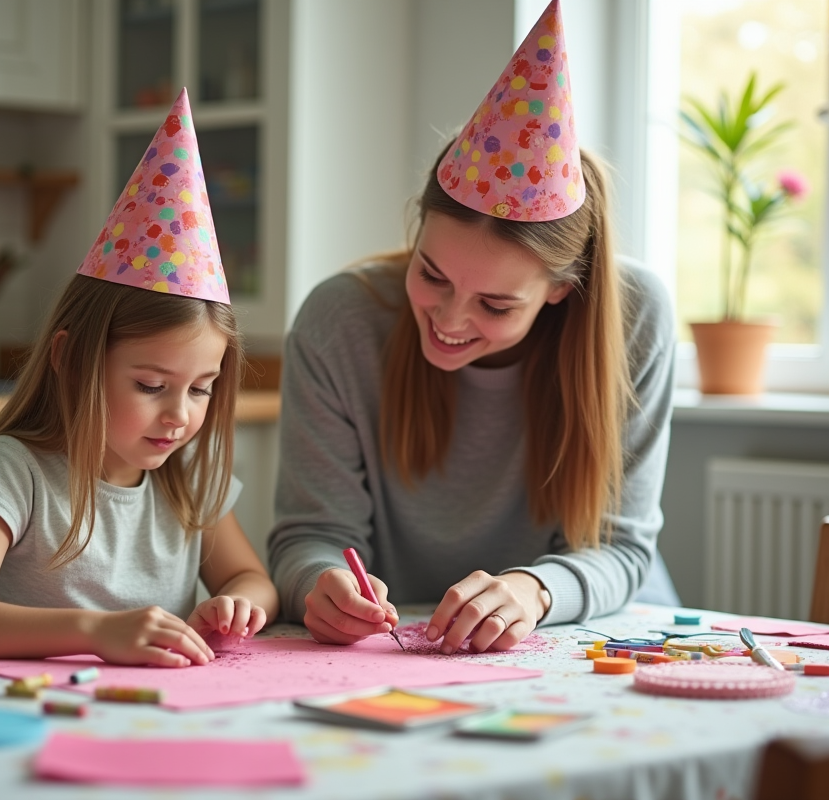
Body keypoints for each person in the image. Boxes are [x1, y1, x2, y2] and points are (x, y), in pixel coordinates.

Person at [267, 0, 675, 655]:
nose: (451, 321)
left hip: (601, 637)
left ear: (559, 291)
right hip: (409, 653)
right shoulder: (338, 322)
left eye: (495, 305)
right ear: (416, 231)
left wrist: (533, 592)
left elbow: (622, 550)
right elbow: (308, 535)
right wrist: (318, 582)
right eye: (431, 274)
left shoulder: (634, 317)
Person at [0, 90, 278, 667]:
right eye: (151, 386)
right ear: (72, 359)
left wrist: (237, 603)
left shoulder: (190, 477)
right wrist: (95, 632)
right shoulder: (17, 471)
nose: (180, 414)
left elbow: (251, 576)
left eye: (201, 388)